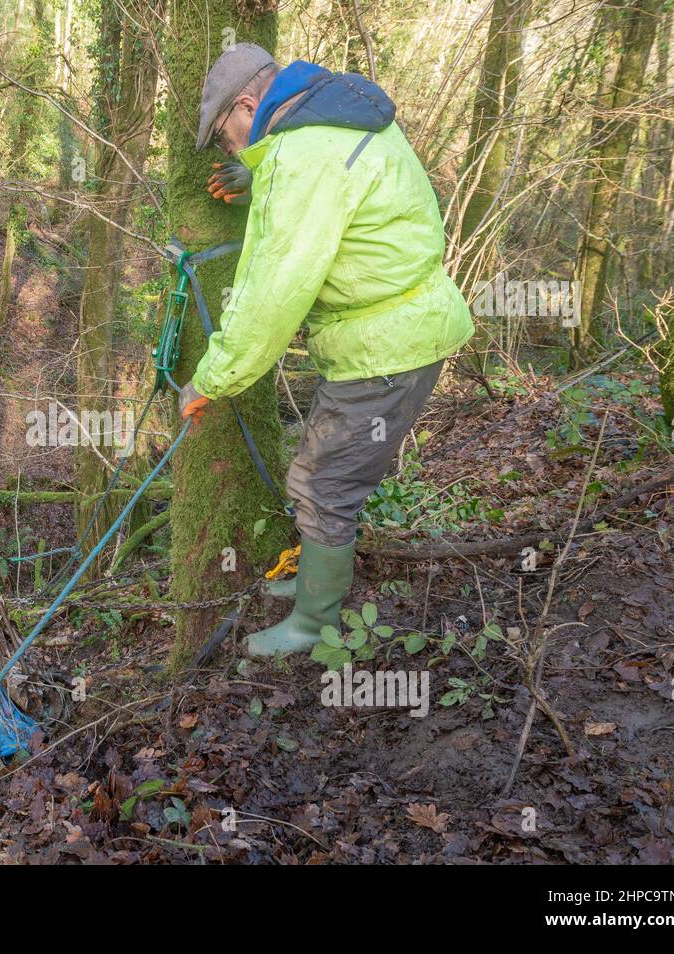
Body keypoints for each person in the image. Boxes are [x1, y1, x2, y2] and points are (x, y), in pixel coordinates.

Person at [178, 43, 474, 660]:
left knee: (321, 483)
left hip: (387, 349)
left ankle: (315, 625)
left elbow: (271, 294)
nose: (231, 149)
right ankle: (316, 589)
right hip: (400, 332)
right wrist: (261, 177)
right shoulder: (334, 118)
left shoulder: (302, 156)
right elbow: (346, 192)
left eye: (228, 137)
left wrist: (214, 379)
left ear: (250, 105)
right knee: (322, 471)